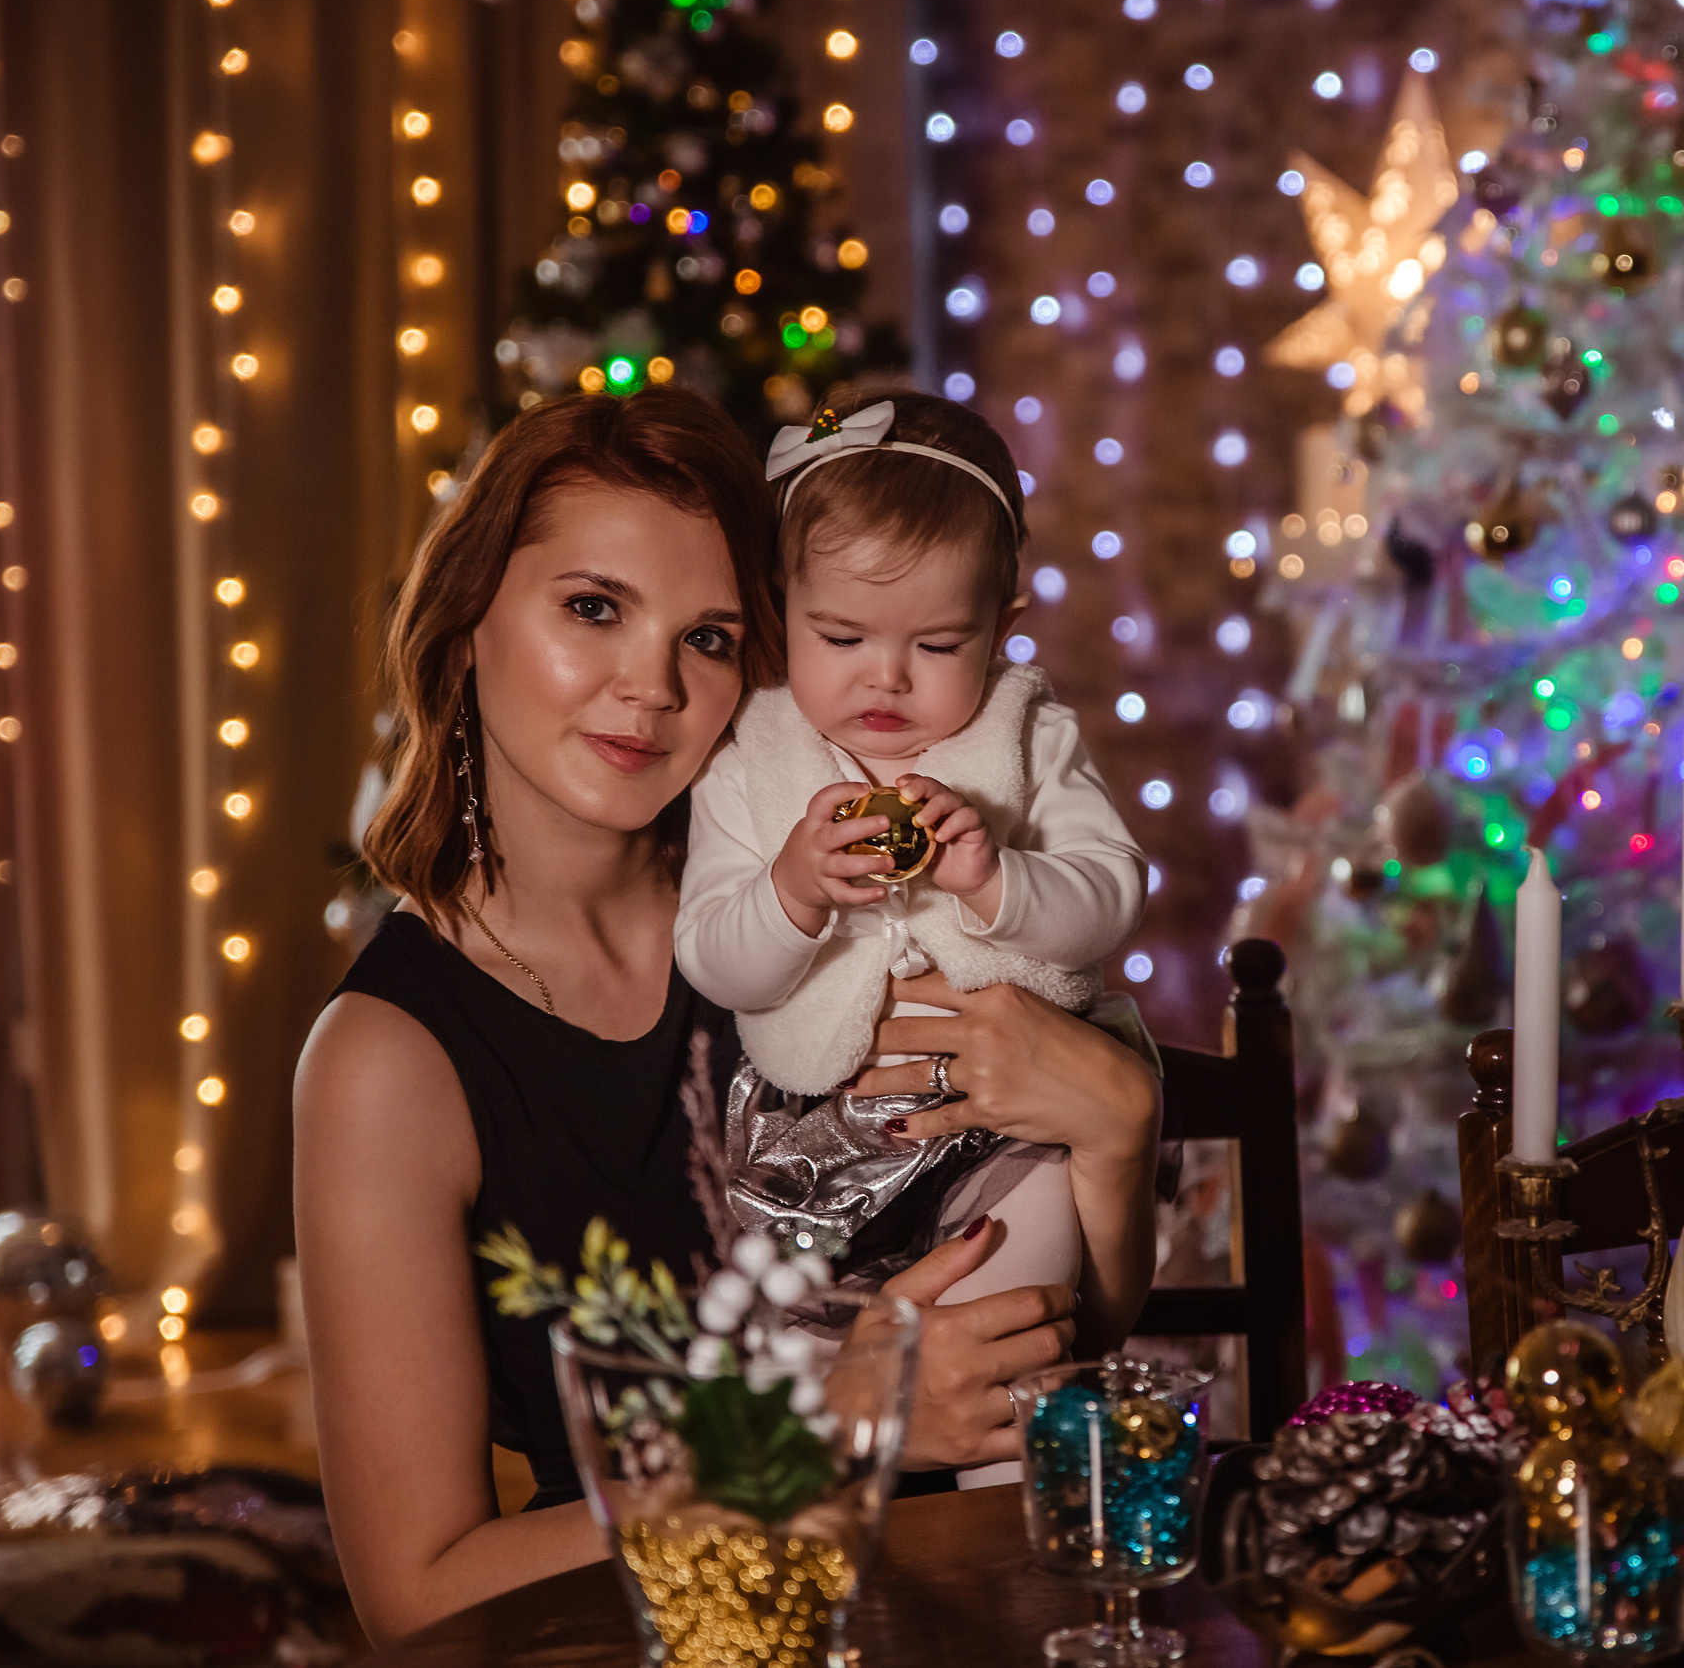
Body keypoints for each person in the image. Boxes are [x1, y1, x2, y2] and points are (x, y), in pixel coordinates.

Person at [291, 386, 1160, 1642]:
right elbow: (419, 1588)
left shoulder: (824, 905)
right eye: (593, 609)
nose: (648, 686)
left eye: (705, 638)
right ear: (468, 617)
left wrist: (1118, 1136)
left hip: (963, 1603)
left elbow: (1045, 1320)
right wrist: (825, 1431)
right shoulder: (391, 1059)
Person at [673, 388, 1147, 1386]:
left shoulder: (1027, 737)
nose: (885, 678)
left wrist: (996, 879)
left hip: (1013, 1131)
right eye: (841, 639)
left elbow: (1110, 895)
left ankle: (1001, 1506)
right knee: (791, 1383)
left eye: (936, 647)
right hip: (809, 1149)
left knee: (1010, 1349)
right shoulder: (749, 760)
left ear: (1001, 628)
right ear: (779, 609)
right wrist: (793, 891)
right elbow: (714, 956)